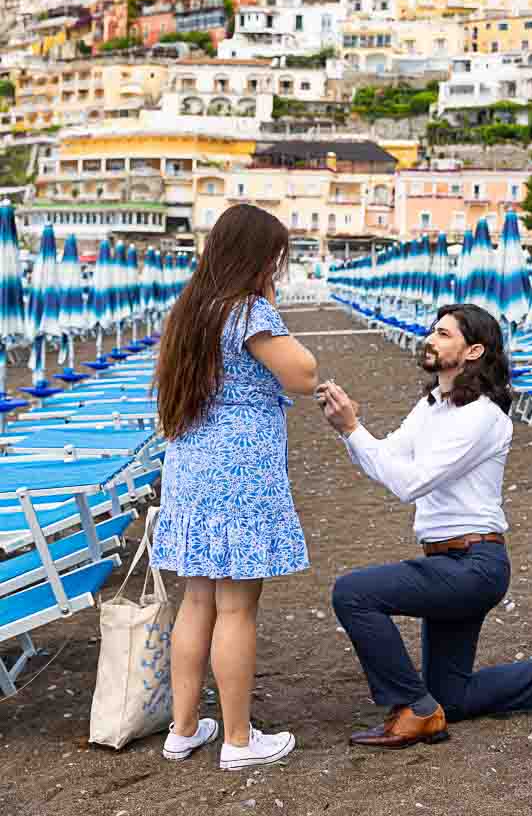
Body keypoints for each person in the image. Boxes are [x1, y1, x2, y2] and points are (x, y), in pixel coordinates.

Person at [317, 303, 532, 749]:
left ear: (473, 351)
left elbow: (410, 483)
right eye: (433, 330)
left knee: (353, 593)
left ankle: (412, 709)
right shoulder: (433, 406)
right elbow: (389, 459)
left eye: (444, 333)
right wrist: (348, 429)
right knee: (452, 694)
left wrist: (354, 428)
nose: (431, 338)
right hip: (450, 561)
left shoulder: (483, 417)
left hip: (475, 565)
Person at [151, 205, 319, 770]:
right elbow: (303, 373)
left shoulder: (190, 311)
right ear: (258, 257)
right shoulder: (247, 310)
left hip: (190, 466)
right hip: (239, 473)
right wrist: (269, 301)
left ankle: (182, 729)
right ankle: (240, 740)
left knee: (197, 599)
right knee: (237, 607)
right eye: (274, 257)